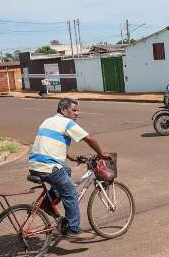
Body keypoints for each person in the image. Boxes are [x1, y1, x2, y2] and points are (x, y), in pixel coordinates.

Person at [28, 98, 110, 241]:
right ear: (63, 110)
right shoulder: (67, 123)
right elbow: (89, 138)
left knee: (66, 171)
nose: (77, 113)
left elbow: (48, 143)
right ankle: (73, 229)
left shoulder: (47, 121)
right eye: (74, 110)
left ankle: (48, 203)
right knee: (71, 192)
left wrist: (69, 156)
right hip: (49, 167)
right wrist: (101, 153)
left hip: (35, 165)